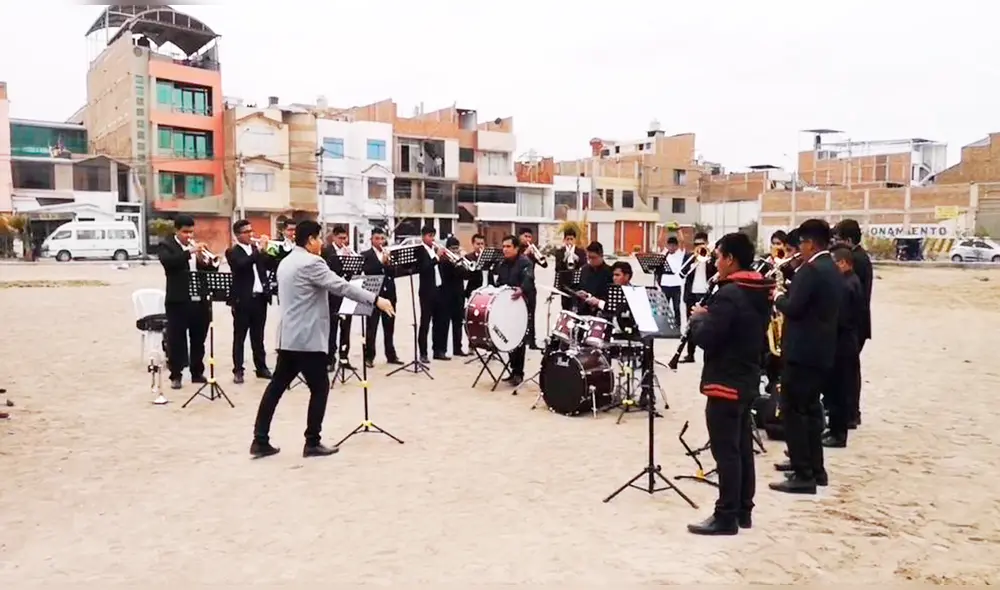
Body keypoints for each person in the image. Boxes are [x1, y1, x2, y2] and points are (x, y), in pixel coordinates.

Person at [251, 220, 395, 459]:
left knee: (276, 386)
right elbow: (341, 286)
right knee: (320, 387)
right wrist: (376, 299)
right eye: (319, 239)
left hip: (288, 335)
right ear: (310, 240)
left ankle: (260, 438)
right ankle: (312, 441)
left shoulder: (286, 261)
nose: (321, 244)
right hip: (307, 338)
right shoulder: (312, 262)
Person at [685, 232, 772, 535]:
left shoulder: (730, 293)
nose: (716, 263)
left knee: (726, 450)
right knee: (742, 446)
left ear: (730, 259)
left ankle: (726, 515)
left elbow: (709, 338)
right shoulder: (758, 289)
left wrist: (698, 318)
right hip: (747, 376)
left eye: (718, 257)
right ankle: (743, 510)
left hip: (726, 379)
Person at [770, 219, 842, 494]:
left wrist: (777, 296)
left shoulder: (811, 270)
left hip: (802, 352)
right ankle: (815, 469)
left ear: (810, 243)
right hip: (820, 350)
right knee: (811, 411)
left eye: (800, 243)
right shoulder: (831, 267)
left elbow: (794, 307)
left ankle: (803, 474)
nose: (798, 249)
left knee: (794, 411)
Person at [159, 215, 220, 390]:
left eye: (191, 232)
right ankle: (176, 375)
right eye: (185, 232)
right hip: (178, 300)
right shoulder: (167, 245)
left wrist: (208, 262)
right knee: (176, 339)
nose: (189, 235)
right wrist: (190, 253)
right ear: (176, 230)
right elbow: (169, 263)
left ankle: (197, 372)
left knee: (198, 338)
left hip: (199, 299)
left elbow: (208, 272)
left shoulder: (195, 247)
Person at [823, 245, 866, 448]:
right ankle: (833, 429)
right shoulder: (849, 281)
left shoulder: (847, 285)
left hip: (843, 342)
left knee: (839, 390)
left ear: (843, 263)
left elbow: (841, 317)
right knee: (835, 389)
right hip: (845, 340)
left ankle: (838, 434)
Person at [833, 218, 872, 429]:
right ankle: (851, 412)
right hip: (857, 324)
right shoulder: (859, 256)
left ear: (848, 240)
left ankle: (849, 414)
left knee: (847, 373)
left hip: (853, 325)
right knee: (850, 371)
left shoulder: (856, 260)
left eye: (838, 238)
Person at [225, 220, 273, 384]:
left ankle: (261, 367)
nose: (251, 234)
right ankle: (238, 370)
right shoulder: (232, 251)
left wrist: (267, 250)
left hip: (260, 299)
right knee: (240, 337)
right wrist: (259, 251)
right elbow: (241, 265)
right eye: (246, 232)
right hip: (242, 300)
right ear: (238, 235)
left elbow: (269, 264)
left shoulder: (256, 250)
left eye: (251, 230)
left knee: (258, 336)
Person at [493, 235, 534, 386]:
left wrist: (521, 289)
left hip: (522, 304)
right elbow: (499, 282)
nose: (505, 249)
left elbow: (529, 279)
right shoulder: (502, 263)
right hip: (507, 305)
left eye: (508, 246)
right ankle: (512, 369)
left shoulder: (525, 262)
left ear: (516, 248)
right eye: (503, 246)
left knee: (519, 338)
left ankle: (519, 373)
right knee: (509, 337)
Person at [361, 227, 401, 368]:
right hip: (374, 293)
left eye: (382, 238)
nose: (380, 241)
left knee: (389, 326)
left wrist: (389, 263)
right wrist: (381, 264)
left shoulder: (389, 253)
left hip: (389, 293)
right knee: (371, 327)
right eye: (377, 238)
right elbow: (368, 272)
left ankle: (391, 355)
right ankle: (369, 357)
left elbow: (395, 273)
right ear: (371, 239)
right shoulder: (365, 254)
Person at [320, 225, 356, 372]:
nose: (343, 241)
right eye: (340, 238)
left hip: (346, 293)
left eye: (345, 238)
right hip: (333, 294)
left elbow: (356, 270)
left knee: (346, 327)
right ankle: (330, 359)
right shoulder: (327, 251)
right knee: (332, 328)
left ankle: (344, 357)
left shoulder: (349, 251)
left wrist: (351, 259)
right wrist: (342, 260)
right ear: (334, 237)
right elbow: (327, 271)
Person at [678, 231, 717, 364]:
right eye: (696, 244)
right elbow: (682, 274)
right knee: (691, 325)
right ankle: (690, 354)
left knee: (708, 325)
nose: (698, 246)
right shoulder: (689, 257)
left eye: (701, 244)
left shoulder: (712, 258)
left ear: (706, 243)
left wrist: (709, 258)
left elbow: (716, 273)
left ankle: (709, 355)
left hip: (706, 294)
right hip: (691, 294)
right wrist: (693, 262)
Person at [415, 225, 448, 362]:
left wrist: (443, 258)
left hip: (439, 289)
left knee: (439, 321)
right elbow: (423, 268)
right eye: (429, 236)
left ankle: (438, 350)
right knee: (425, 322)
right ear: (423, 236)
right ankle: (423, 353)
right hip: (426, 291)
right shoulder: (420, 251)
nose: (432, 239)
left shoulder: (434, 250)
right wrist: (436, 258)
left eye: (433, 235)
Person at [441, 235, 470, 357]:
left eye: (456, 248)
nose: (455, 251)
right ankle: (441, 350)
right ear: (447, 249)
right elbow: (451, 273)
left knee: (458, 322)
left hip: (459, 294)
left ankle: (457, 348)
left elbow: (466, 274)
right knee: (445, 323)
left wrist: (462, 261)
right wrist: (457, 261)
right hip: (446, 294)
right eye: (452, 248)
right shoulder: (444, 261)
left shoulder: (459, 260)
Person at [518, 228, 547, 349]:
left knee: (532, 313)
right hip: (519, 286)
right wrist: (525, 254)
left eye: (530, 237)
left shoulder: (532, 252)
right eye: (525, 236)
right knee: (520, 315)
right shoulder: (517, 249)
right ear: (520, 237)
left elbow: (545, 265)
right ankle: (520, 339)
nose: (528, 239)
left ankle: (532, 341)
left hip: (531, 286)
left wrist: (538, 254)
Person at [576, 241, 613, 315]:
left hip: (601, 312)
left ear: (601, 255)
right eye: (588, 257)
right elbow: (578, 287)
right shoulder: (584, 269)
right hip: (583, 311)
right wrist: (579, 293)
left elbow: (611, 297)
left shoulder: (610, 272)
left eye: (593, 257)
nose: (590, 260)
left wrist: (598, 301)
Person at [555, 228, 587, 311]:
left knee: (576, 306)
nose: (569, 241)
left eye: (571, 239)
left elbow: (585, 267)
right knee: (565, 307)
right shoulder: (560, 252)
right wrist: (565, 258)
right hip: (564, 283)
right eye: (567, 239)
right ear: (564, 240)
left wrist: (577, 258)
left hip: (577, 283)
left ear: (575, 240)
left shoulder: (581, 252)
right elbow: (557, 268)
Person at [657, 236, 685, 324]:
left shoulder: (679, 253)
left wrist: (678, 230)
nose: (671, 248)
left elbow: (682, 241)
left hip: (676, 284)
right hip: (665, 284)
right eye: (669, 246)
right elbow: (660, 242)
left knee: (676, 307)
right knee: (664, 307)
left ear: (676, 246)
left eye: (673, 246)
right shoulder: (665, 253)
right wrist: (662, 228)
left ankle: (677, 325)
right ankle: (664, 325)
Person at [463, 233, 488, 299]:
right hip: (473, 288)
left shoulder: (488, 257)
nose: (480, 246)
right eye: (478, 244)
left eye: (482, 244)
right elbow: (466, 275)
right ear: (473, 244)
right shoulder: (468, 257)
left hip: (487, 289)